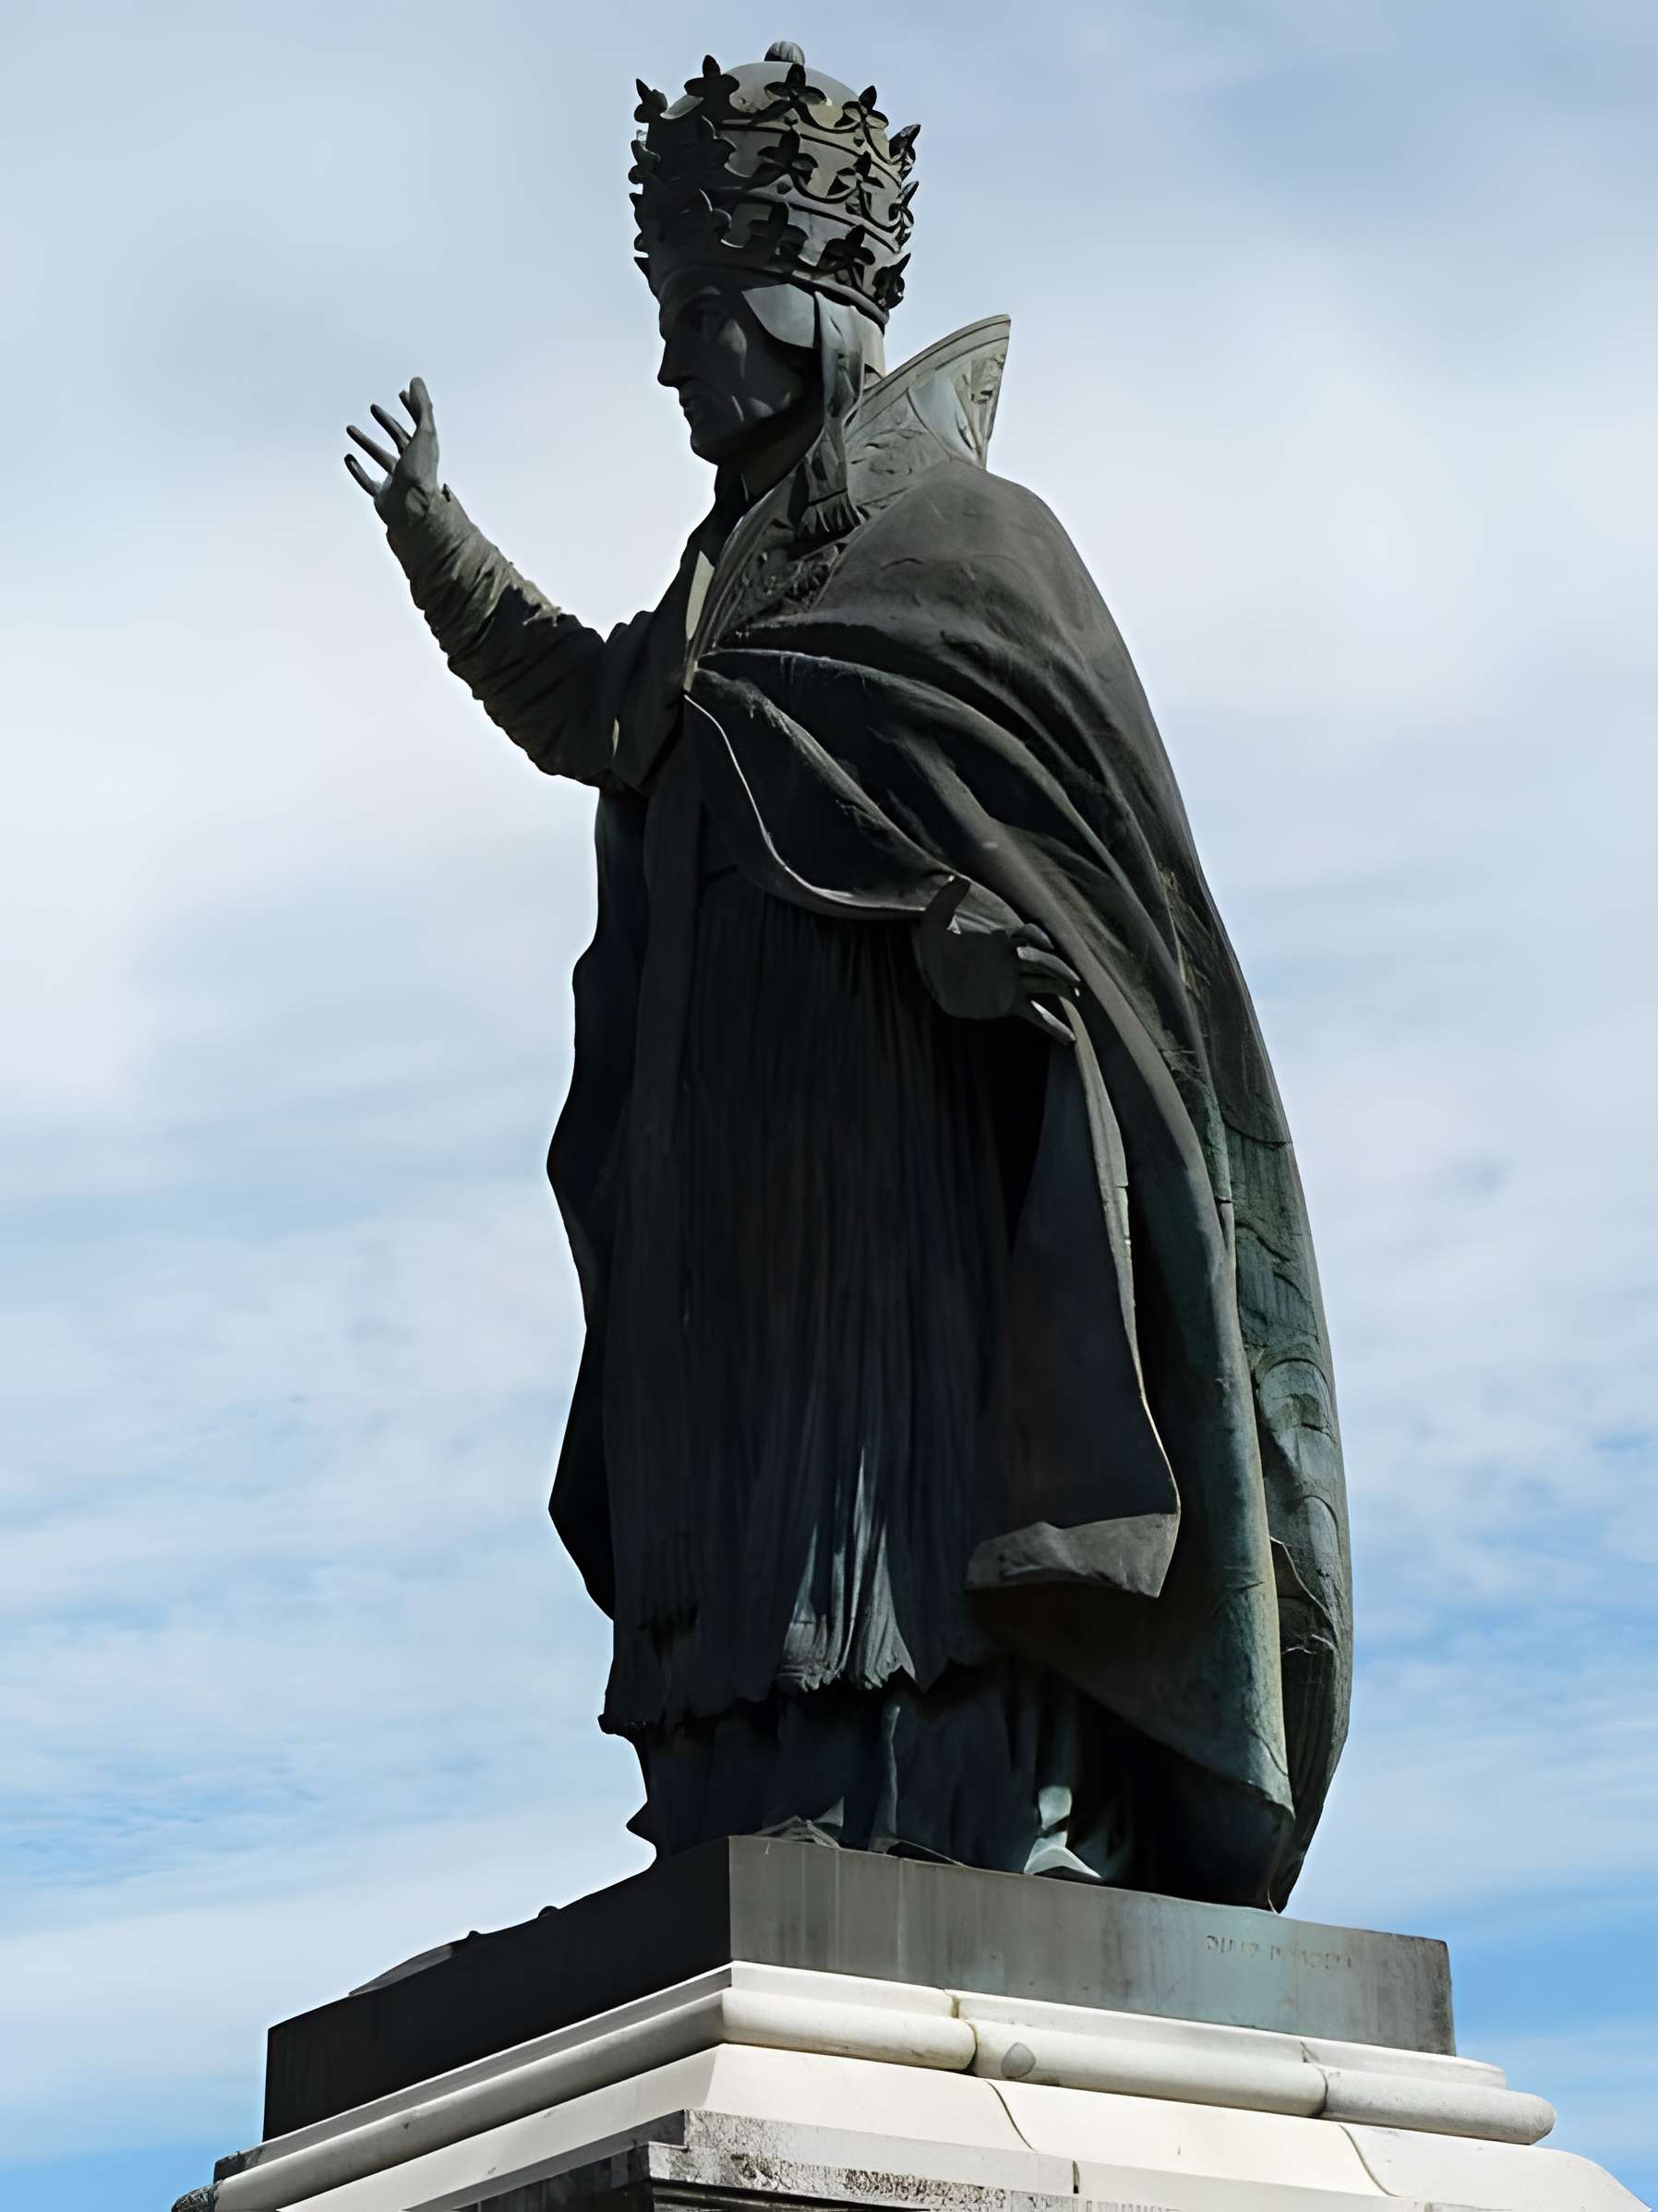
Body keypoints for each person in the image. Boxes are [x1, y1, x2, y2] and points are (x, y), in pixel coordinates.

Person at [344, 42, 1351, 1907]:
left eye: (697, 314)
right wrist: (436, 542)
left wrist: (1011, 954)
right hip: (734, 1172)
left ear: (802, 315)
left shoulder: (972, 547)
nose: (668, 363)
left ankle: (982, 1802)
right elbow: (599, 713)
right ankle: (756, 1798)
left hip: (908, 1161)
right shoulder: (729, 577)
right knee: (744, 1494)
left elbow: (1098, 895)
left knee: (903, 1484)